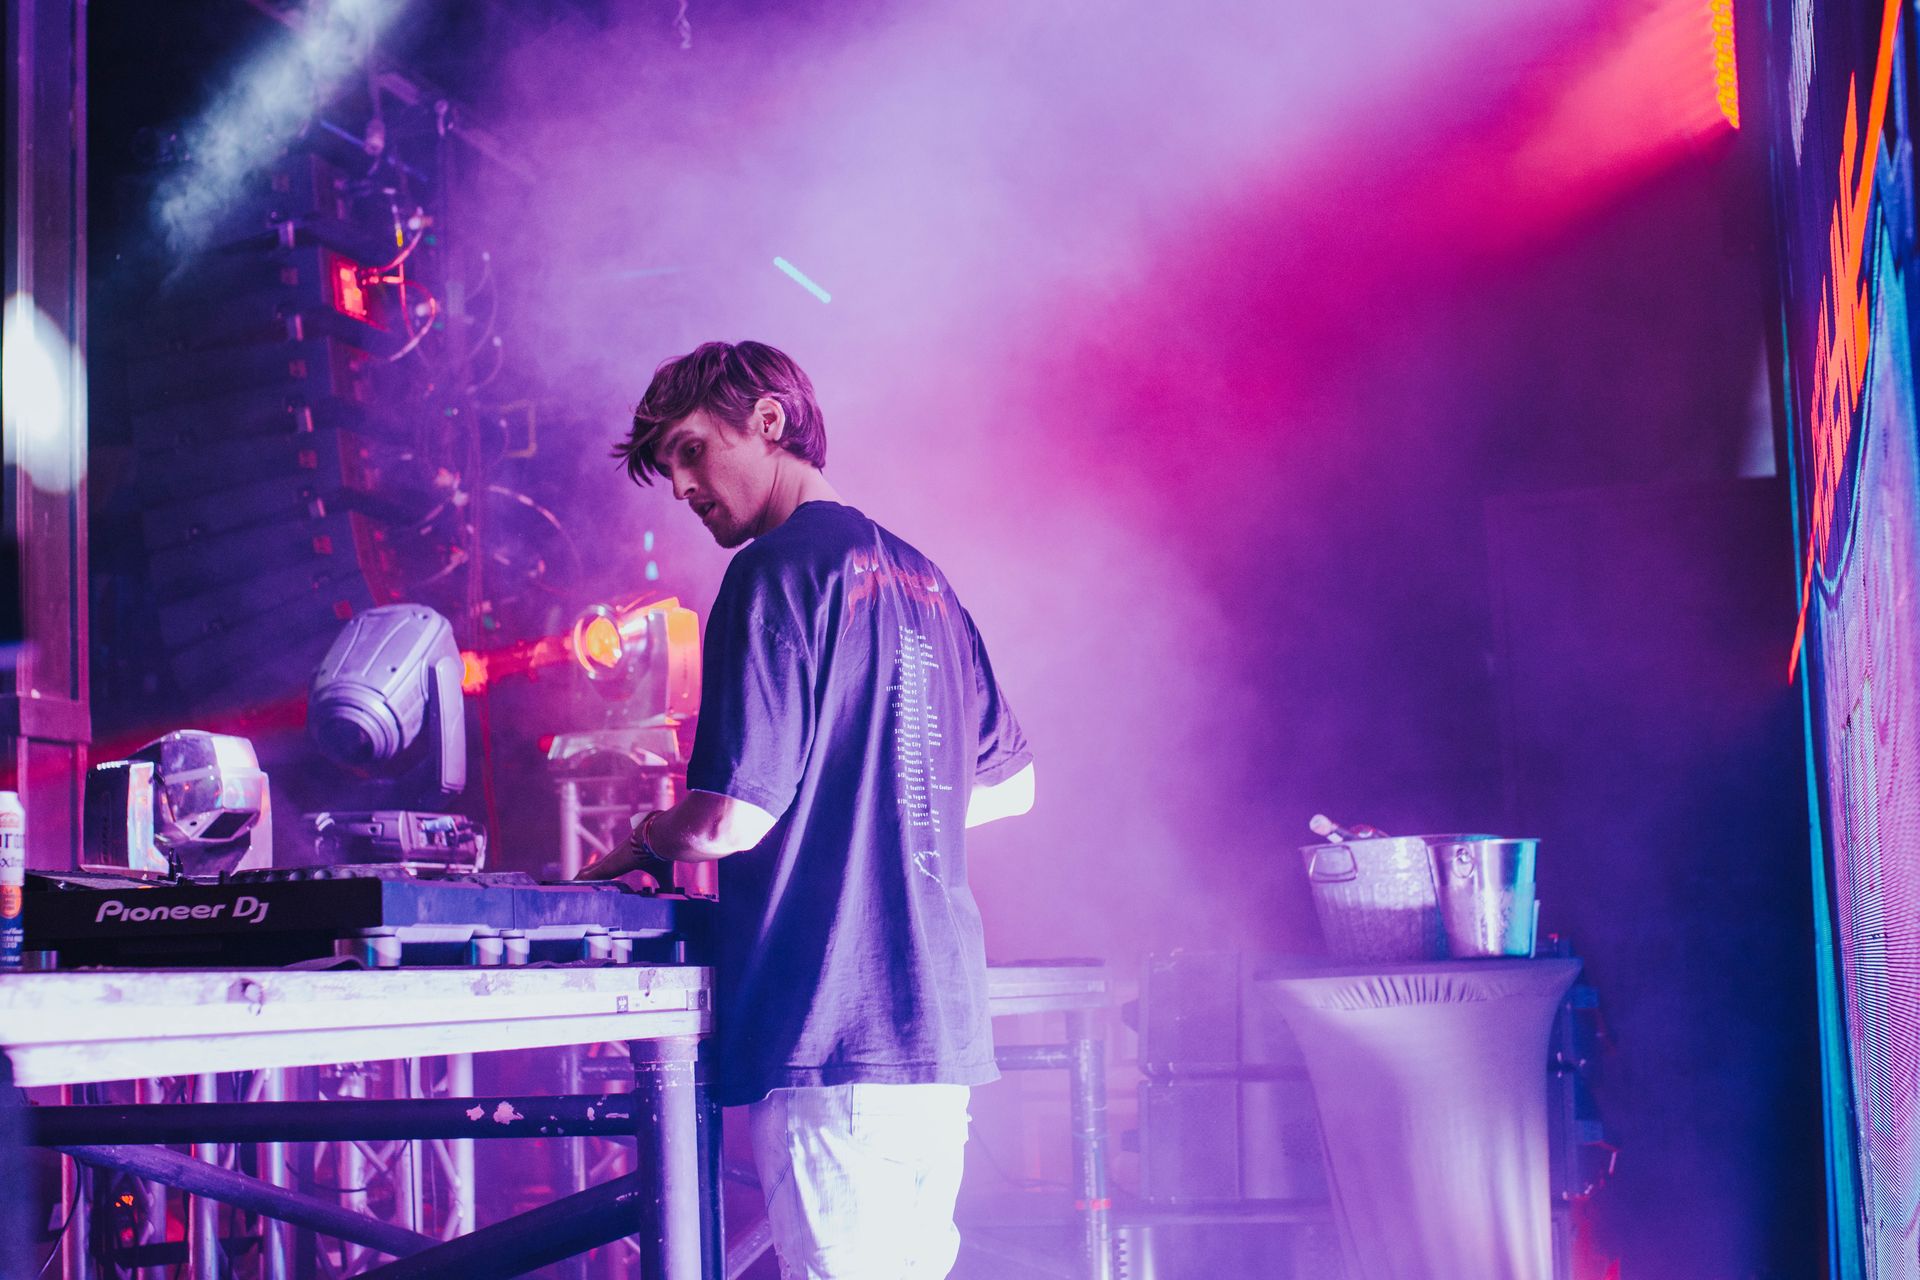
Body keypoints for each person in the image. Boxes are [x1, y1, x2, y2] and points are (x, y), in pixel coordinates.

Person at [579, 340, 1036, 1279]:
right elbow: (1013, 785)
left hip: (831, 1031)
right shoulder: (926, 580)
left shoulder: (773, 574)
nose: (681, 486)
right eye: (668, 470)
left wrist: (644, 839)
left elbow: (726, 822)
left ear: (769, 423)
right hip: (935, 1037)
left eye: (693, 451)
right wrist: (877, 812)